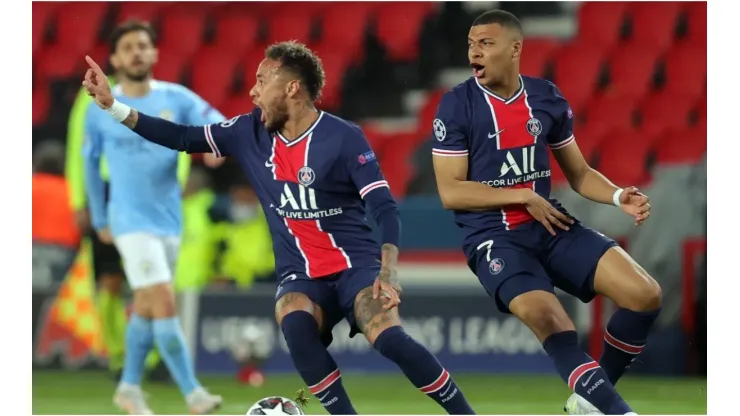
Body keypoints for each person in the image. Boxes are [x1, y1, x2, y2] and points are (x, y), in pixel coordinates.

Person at [81, 40, 476, 415]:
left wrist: (388, 271)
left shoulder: (344, 139)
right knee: (294, 321)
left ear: (291, 88)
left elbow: (385, 208)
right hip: (301, 276)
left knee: (389, 338)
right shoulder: (247, 132)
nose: (253, 92)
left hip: (355, 267)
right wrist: (114, 106)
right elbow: (181, 136)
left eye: (261, 81)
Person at [431, 10, 661, 415]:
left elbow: (580, 173)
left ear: (515, 47)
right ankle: (618, 410)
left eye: (485, 43)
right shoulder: (456, 106)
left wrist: (617, 195)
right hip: (493, 238)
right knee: (553, 321)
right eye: (471, 44)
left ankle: (588, 399)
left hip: (550, 225)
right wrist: (520, 195)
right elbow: (451, 191)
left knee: (645, 295)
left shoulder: (545, 97)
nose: (474, 52)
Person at [82, 20, 224, 415]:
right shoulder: (100, 107)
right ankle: (193, 393)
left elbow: (215, 119)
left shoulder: (176, 98)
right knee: (163, 301)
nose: (137, 53)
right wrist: (98, 216)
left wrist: (215, 145)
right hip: (127, 219)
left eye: (143, 45)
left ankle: (128, 387)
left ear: (156, 53)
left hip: (168, 219)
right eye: (128, 47)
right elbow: (89, 164)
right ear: (115, 58)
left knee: (146, 304)